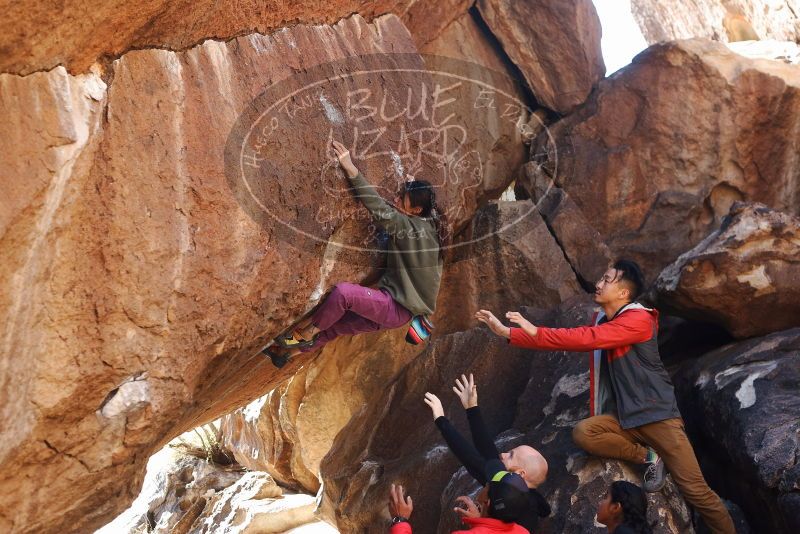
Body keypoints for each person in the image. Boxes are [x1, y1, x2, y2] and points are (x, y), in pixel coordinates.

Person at [473, 259, 735, 534]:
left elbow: (589, 338)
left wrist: (536, 330)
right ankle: (648, 456)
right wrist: (508, 333)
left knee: (698, 493)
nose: (598, 284)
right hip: (625, 420)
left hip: (659, 419)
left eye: (607, 280)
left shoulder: (639, 319)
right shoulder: (605, 320)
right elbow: (582, 337)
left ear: (623, 293)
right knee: (585, 432)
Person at [264, 140, 445, 367]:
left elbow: (377, 206)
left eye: (402, 199)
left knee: (343, 294)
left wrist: (351, 168)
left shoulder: (407, 227)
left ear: (416, 210)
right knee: (336, 326)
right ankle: (285, 355)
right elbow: (430, 207)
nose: (395, 199)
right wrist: (412, 187)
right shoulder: (430, 223)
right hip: (398, 316)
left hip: (393, 308)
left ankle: (308, 332)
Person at [423, 374, 550, 532]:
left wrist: (441, 420)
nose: (503, 454)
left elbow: (471, 459)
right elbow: (488, 452)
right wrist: (472, 408)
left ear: (521, 473)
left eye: (511, 455)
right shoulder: (521, 496)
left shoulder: (503, 490)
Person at [387, 460, 531, 534]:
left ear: (488, 502)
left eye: (488, 484)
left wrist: (399, 520)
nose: (485, 484)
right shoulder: (523, 532)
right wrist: (480, 522)